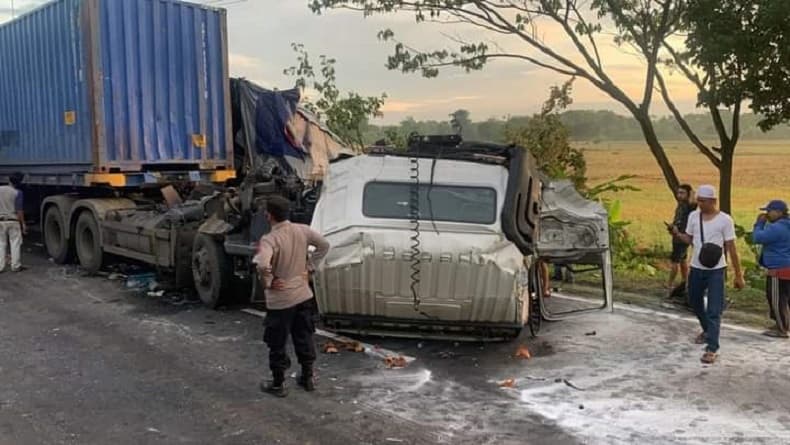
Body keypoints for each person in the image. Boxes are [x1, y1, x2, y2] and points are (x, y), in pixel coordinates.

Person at [254, 196, 330, 397]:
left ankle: (278, 384)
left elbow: (262, 264)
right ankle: (307, 378)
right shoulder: (302, 230)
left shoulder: (269, 239)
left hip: (281, 300)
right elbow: (324, 245)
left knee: (277, 342)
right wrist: (310, 267)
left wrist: (269, 281)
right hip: (303, 294)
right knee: (304, 335)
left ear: (268, 215)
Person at [672, 184, 744, 364]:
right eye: (699, 201)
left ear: (713, 201)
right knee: (695, 302)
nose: (700, 204)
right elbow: (690, 239)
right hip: (696, 268)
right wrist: (677, 235)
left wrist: (738, 274)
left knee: (714, 309)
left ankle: (712, 348)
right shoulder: (694, 216)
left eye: (703, 201)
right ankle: (707, 330)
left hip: (716, 270)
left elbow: (731, 248)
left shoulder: (725, 220)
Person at [751, 200, 790, 338]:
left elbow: (757, 238)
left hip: (778, 269)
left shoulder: (777, 228)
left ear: (779, 212)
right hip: (787, 267)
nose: (767, 214)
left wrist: (759, 223)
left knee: (776, 299)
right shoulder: (787, 225)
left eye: (769, 211)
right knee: (784, 298)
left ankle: (781, 328)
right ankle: (783, 323)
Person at [666, 184, 695, 291]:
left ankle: (670, 283)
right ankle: (685, 282)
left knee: (675, 261)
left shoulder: (690, 206)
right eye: (678, 193)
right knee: (683, 260)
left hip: (682, 237)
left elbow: (694, 202)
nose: (679, 195)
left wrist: (692, 193)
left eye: (682, 193)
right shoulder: (681, 205)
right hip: (677, 235)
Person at [0, 172, 26, 272]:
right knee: (15, 243)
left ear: (9, 180)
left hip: (0, 221)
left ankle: (0, 266)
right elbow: (19, 211)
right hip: (13, 221)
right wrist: (23, 224)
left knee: (1, 243)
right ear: (19, 182)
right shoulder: (18, 193)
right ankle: (15, 266)